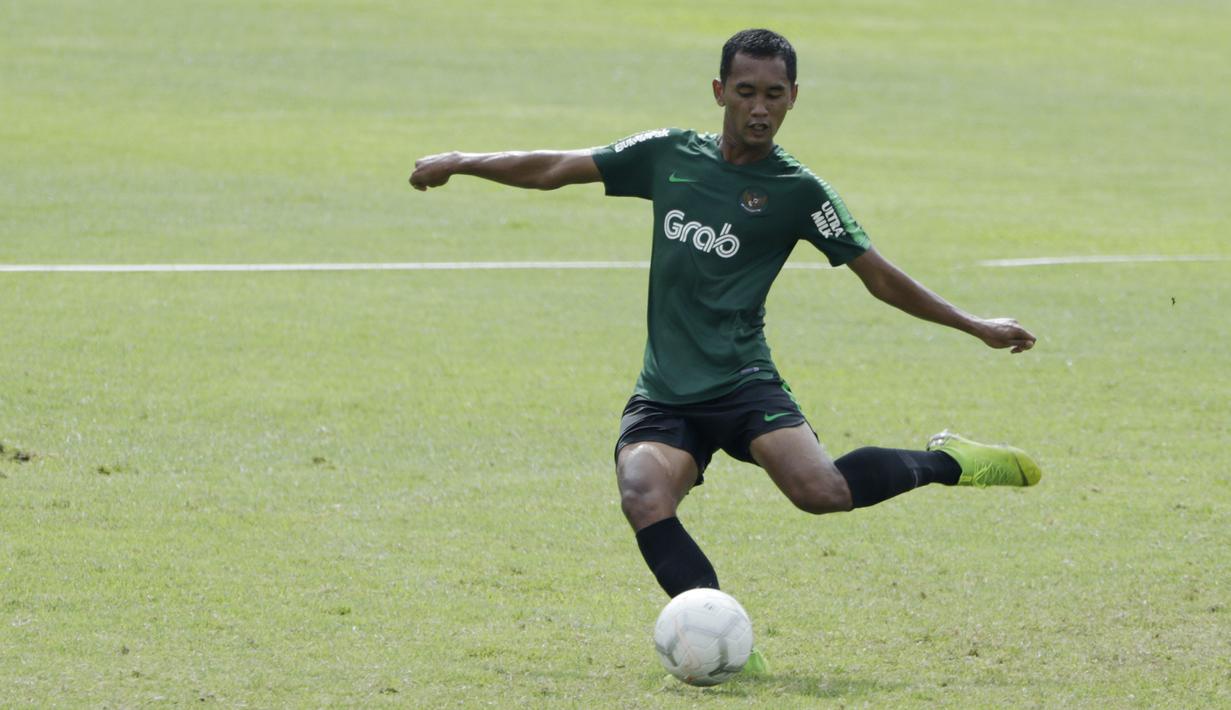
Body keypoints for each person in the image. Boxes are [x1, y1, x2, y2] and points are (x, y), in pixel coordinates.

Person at [411, 28, 1041, 673]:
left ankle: (949, 461)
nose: (759, 108)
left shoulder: (800, 192)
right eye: (746, 92)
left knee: (819, 492)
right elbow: (554, 168)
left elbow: (879, 277)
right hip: (665, 392)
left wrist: (977, 324)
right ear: (720, 92)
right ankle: (725, 652)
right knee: (643, 493)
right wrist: (461, 159)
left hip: (742, 382)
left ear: (794, 97)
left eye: (774, 94)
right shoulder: (667, 154)